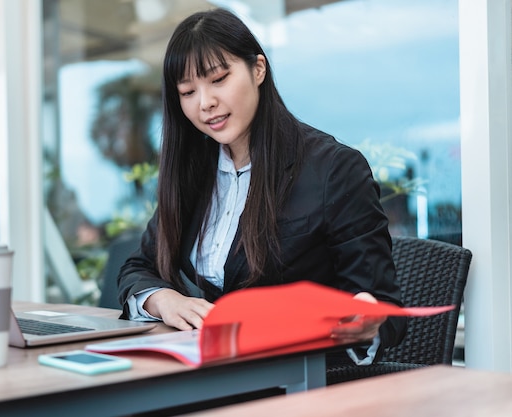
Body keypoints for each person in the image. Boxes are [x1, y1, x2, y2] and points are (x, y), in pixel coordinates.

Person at [117, 7, 406, 366]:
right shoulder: (192, 172)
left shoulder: (334, 169)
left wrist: (367, 321)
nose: (205, 103)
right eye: (188, 91)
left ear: (258, 69)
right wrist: (163, 300)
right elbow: (139, 266)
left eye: (219, 79)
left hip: (295, 380)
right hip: (201, 370)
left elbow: (384, 306)